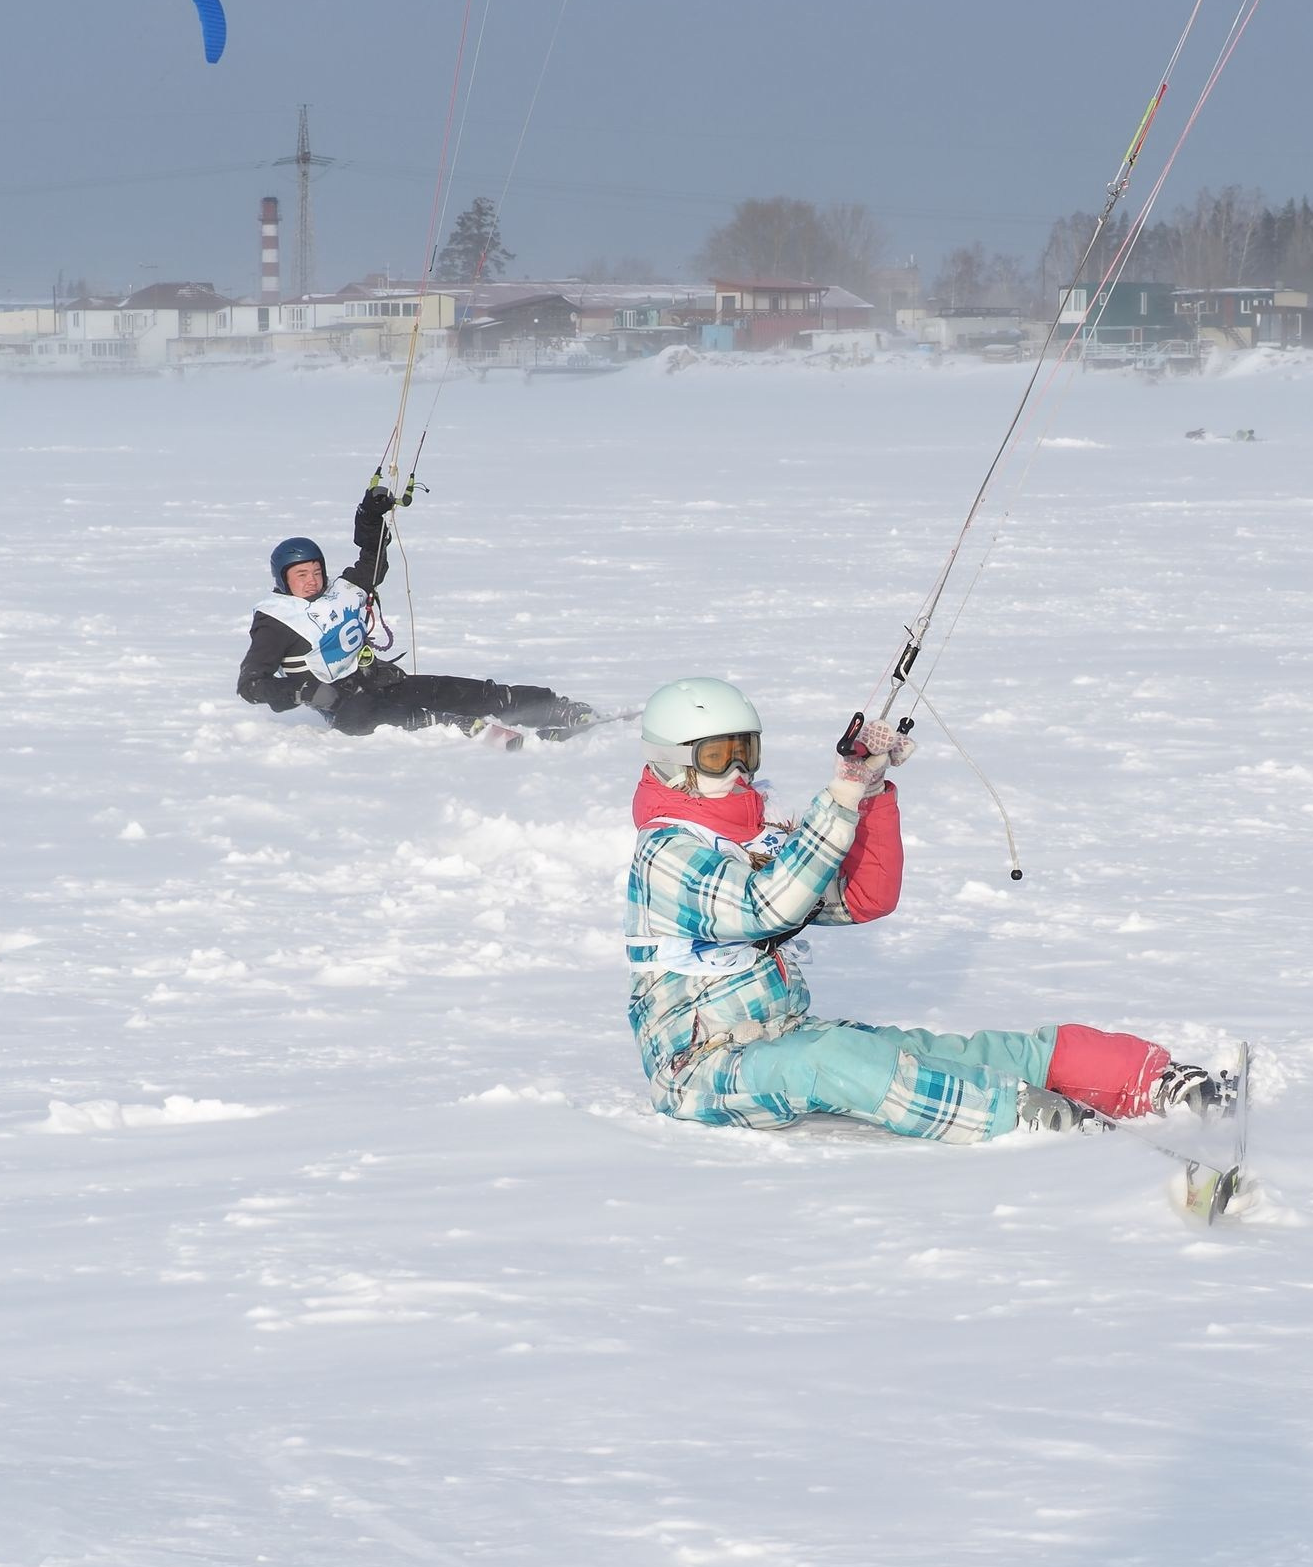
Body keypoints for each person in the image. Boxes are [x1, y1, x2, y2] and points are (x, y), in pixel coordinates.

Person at [622, 675, 1234, 1149]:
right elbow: (767, 904)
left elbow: (861, 899)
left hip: (777, 1036)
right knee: (841, 1063)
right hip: (699, 1067)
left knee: (936, 1051)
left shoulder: (747, 846)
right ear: (671, 761)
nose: (737, 771)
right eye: (715, 756)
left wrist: (868, 792)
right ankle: (1024, 1118)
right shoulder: (666, 853)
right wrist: (836, 799)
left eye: (745, 752)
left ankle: (1149, 1078)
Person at [237, 483, 594, 738]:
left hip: (378, 681)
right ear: (283, 579)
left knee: (461, 692)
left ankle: (553, 707)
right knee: (421, 717)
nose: (312, 581)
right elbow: (250, 685)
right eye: (301, 575)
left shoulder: (339, 592)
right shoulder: (276, 621)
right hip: (348, 711)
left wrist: (371, 517)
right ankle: (477, 735)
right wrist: (300, 691)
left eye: (316, 572)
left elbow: (372, 562)